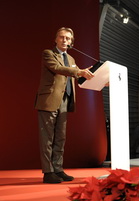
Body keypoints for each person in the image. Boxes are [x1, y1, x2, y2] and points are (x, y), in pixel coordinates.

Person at [34, 27, 94, 183]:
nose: (64, 40)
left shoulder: (72, 60)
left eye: (68, 38)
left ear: (71, 42)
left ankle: (58, 169)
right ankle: (48, 172)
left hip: (65, 100)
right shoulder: (48, 53)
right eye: (61, 37)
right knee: (47, 138)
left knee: (60, 138)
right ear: (56, 39)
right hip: (49, 100)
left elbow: (77, 77)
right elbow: (58, 68)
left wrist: (99, 80)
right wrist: (79, 72)